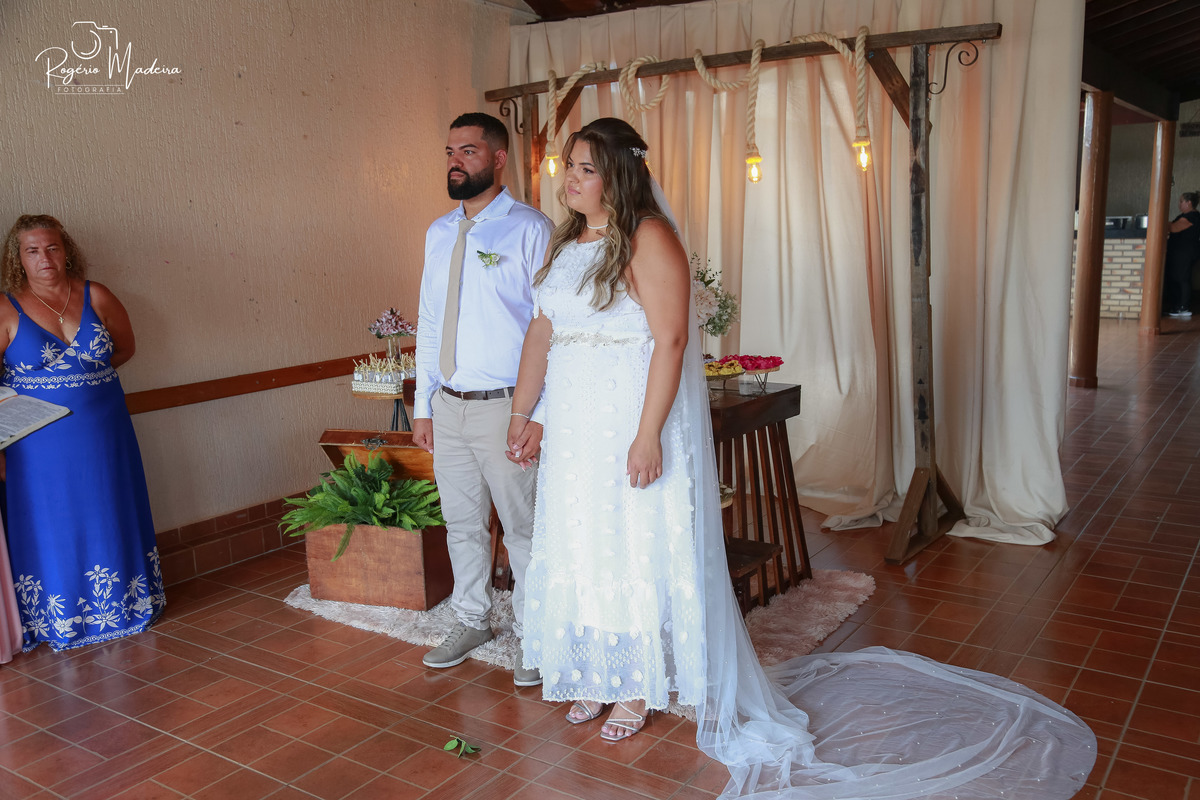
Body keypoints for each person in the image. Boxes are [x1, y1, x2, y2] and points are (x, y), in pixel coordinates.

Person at [508, 118, 1097, 797]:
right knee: (584, 542)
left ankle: (637, 684)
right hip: (575, 428)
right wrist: (527, 414)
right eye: (570, 167)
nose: (570, 179)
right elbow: (543, 334)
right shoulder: (564, 243)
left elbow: (670, 342)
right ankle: (595, 668)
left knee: (631, 545)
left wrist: (647, 436)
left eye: (584, 168)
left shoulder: (649, 237)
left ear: (617, 173)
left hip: (628, 418)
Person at [413, 112, 552, 686]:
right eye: (450, 151)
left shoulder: (530, 229)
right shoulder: (439, 232)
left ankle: (537, 634)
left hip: (507, 406)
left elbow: (552, 326)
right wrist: (424, 405)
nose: (455, 161)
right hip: (449, 404)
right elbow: (428, 320)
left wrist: (537, 415)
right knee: (461, 524)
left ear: (497, 158)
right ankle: (472, 620)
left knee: (524, 528)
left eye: (468, 151)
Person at [1, 215, 165, 652]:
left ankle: (125, 606)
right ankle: (61, 618)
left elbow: (125, 348)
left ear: (66, 250)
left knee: (109, 511)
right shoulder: (5, 307)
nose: (44, 257)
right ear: (18, 258)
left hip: (105, 431)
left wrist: (85, 381)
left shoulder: (97, 295)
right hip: (38, 445)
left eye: (52, 247)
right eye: (32, 250)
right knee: (53, 522)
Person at [1163, 191, 1200, 318]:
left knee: (1182, 278)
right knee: (1175, 278)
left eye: (1181, 201)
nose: (1179, 204)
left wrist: (1161, 221)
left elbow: (1174, 228)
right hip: (1179, 252)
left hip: (1185, 253)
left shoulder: (1193, 216)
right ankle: (1176, 306)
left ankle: (1183, 307)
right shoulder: (1184, 216)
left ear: (1189, 203)